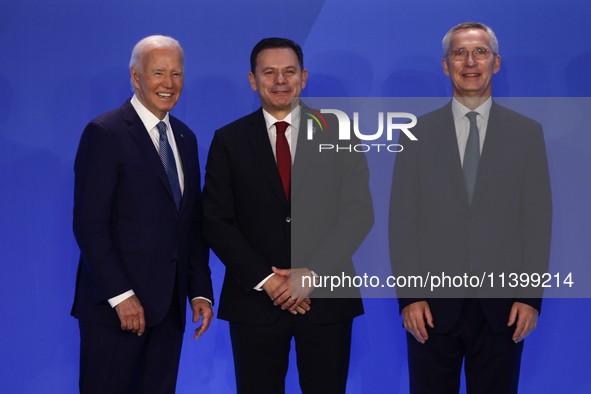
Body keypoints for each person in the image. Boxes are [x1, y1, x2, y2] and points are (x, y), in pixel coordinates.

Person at [202, 37, 373, 393]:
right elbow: (216, 221)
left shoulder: (339, 132)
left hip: (325, 299)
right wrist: (270, 280)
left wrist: (311, 273)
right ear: (253, 80)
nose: (280, 80)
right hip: (255, 301)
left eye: (289, 71)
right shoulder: (229, 139)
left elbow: (358, 212)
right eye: (270, 72)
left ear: (304, 77)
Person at [389, 22, 552, 393]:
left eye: (480, 52)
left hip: (503, 307)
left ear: (496, 63)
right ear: (446, 66)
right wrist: (410, 296)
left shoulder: (527, 132)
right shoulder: (416, 134)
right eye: (459, 53)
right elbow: (402, 221)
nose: (470, 61)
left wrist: (530, 297)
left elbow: (538, 221)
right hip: (431, 306)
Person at [71, 35, 213, 394]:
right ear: (136, 77)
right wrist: (121, 295)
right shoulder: (105, 132)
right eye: (159, 73)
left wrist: (199, 290)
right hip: (115, 312)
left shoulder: (185, 137)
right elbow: (89, 226)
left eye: (177, 74)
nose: (169, 84)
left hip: (168, 311)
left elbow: (191, 223)